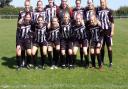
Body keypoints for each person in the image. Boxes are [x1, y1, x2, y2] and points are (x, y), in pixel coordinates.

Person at [96, 0, 114, 68]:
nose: (102, 3)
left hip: (108, 32)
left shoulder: (109, 11)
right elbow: (96, 18)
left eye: (103, 2)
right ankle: (102, 61)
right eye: (101, 2)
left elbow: (112, 22)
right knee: (102, 48)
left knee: (109, 47)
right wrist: (97, 21)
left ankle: (110, 62)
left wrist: (112, 31)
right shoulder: (98, 10)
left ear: (106, 3)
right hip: (101, 32)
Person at [17, 0, 33, 67]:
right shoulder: (21, 13)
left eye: (28, 5)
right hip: (22, 33)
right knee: (22, 49)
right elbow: (18, 23)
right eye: (26, 5)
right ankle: (23, 61)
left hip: (30, 33)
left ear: (29, 5)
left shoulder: (32, 12)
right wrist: (19, 22)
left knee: (29, 50)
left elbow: (34, 23)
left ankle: (30, 62)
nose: (27, 6)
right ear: (24, 5)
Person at [73, 0, 85, 65]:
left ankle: (83, 60)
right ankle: (78, 61)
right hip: (76, 29)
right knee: (77, 46)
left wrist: (83, 22)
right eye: (77, 3)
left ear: (80, 3)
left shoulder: (83, 9)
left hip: (83, 29)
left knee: (84, 47)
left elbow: (85, 18)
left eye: (79, 3)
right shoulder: (73, 10)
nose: (78, 4)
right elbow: (72, 18)